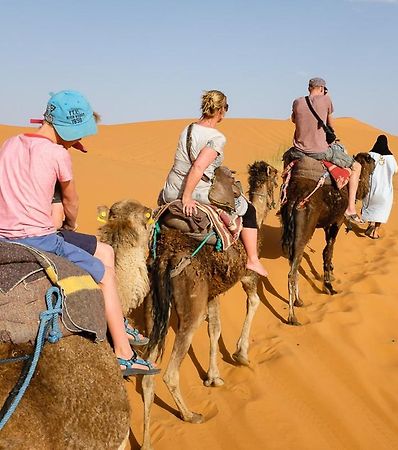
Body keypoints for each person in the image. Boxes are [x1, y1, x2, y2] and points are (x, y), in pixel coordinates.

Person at [0, 90, 158, 376]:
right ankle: (124, 354)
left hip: (4, 237)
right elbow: (70, 201)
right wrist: (71, 224)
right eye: (77, 136)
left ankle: (117, 322)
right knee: (104, 273)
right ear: (68, 129)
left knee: (103, 250)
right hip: (41, 239)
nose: (77, 143)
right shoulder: (57, 154)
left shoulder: (9, 144)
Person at [160, 89, 268, 277]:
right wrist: (186, 198)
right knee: (249, 210)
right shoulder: (216, 137)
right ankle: (253, 259)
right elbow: (198, 167)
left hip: (170, 190)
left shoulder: (188, 129)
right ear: (221, 111)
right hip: (196, 192)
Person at [290, 77, 364, 224]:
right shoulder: (326, 99)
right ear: (322, 88)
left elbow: (293, 119)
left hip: (298, 150)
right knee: (356, 167)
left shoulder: (297, 102)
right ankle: (350, 208)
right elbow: (330, 123)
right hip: (320, 151)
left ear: (309, 88)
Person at [361, 135, 398, 239]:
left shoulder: (370, 155)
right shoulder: (391, 158)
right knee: (382, 210)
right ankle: (375, 231)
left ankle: (370, 224)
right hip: (385, 191)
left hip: (371, 188)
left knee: (371, 206)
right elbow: (395, 170)